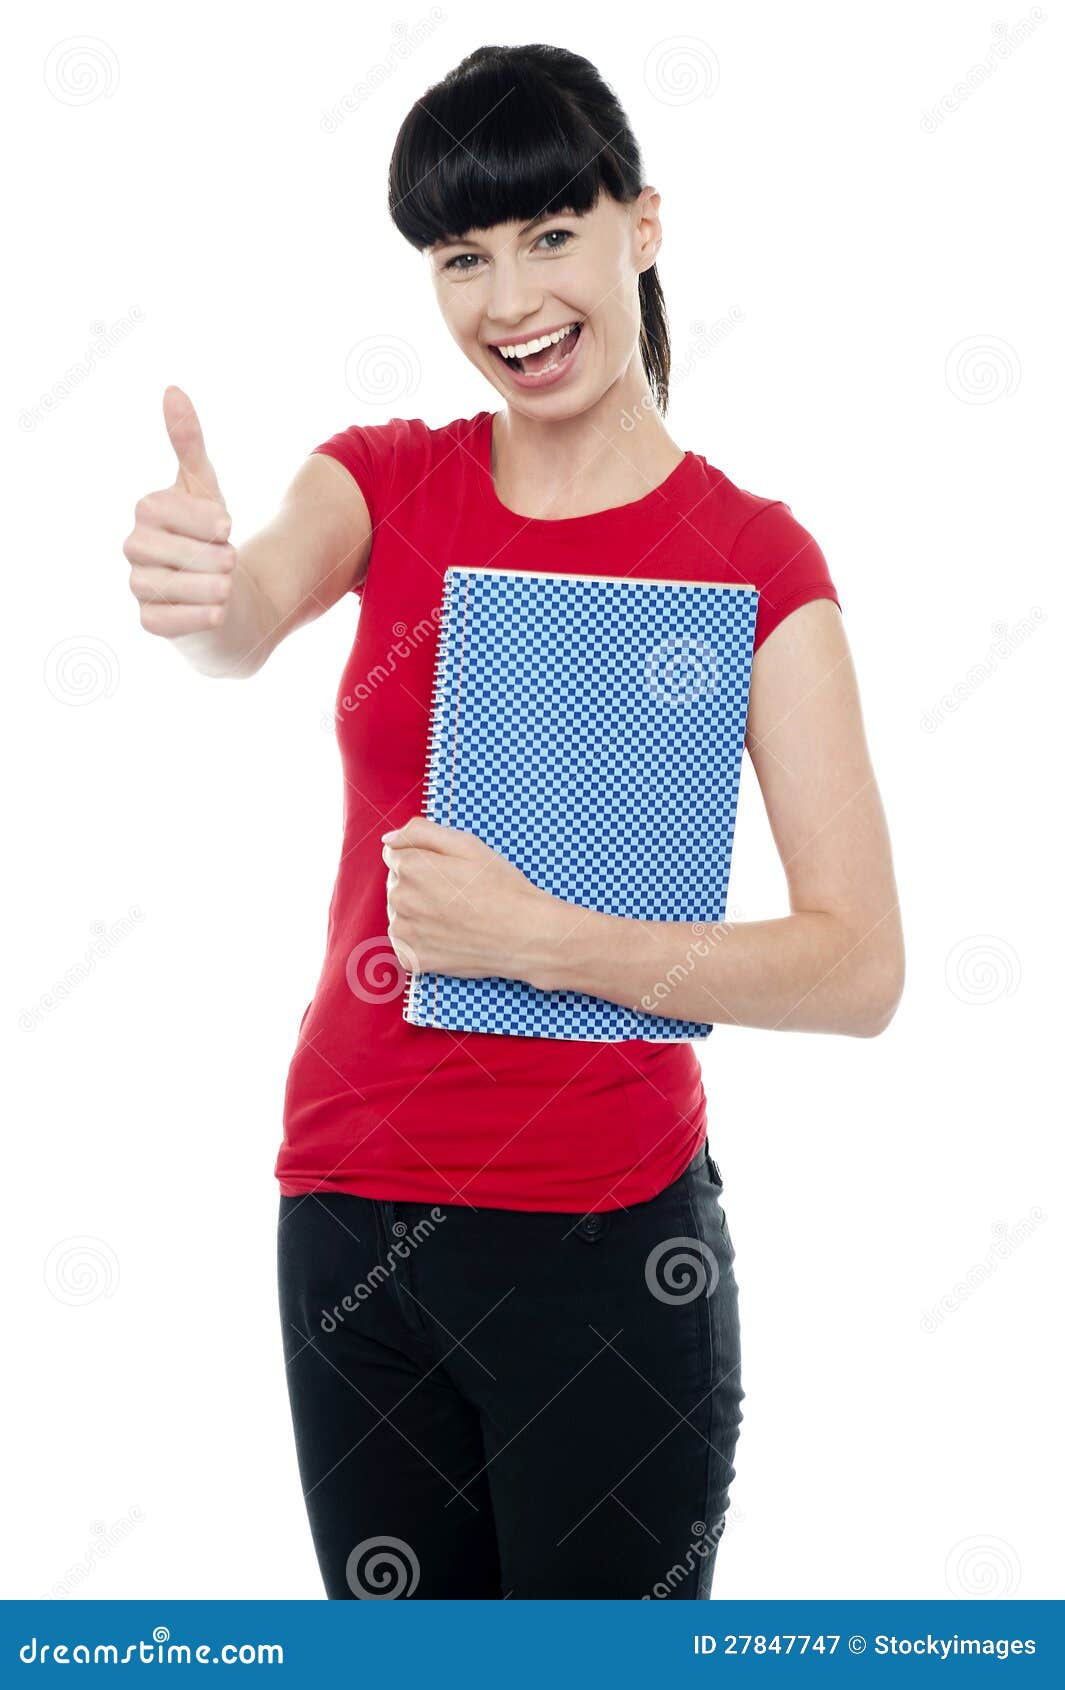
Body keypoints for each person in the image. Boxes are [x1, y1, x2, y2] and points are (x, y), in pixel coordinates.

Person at [122, 44, 904, 1599]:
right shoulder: (385, 481)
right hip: (347, 1209)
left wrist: (547, 942)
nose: (507, 299)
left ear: (644, 227)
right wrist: (202, 597)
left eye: (551, 233)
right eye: (460, 256)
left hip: (605, 1239)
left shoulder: (751, 556)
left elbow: (856, 966)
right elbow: (246, 612)